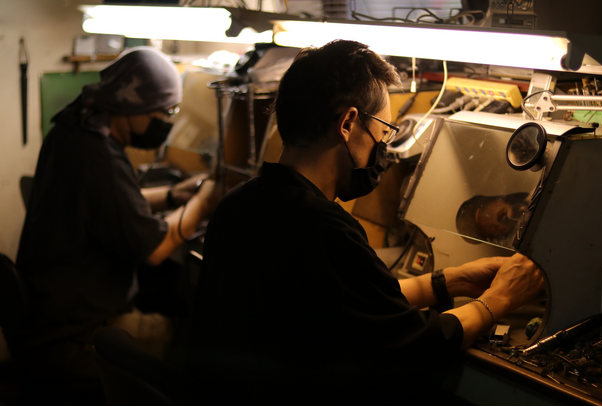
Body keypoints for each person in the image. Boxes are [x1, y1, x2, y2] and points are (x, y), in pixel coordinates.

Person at [185, 40, 543, 405]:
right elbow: (413, 346)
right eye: (383, 132)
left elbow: (348, 301)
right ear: (348, 123)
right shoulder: (322, 227)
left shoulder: (240, 203)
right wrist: (499, 299)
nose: (381, 148)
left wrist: (449, 281)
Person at [4, 47, 220, 402]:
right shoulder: (99, 155)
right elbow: (155, 248)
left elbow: (109, 200)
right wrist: (204, 200)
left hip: (46, 320)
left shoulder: (73, 129)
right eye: (165, 112)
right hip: (72, 340)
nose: (167, 122)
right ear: (132, 104)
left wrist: (172, 195)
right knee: (193, 339)